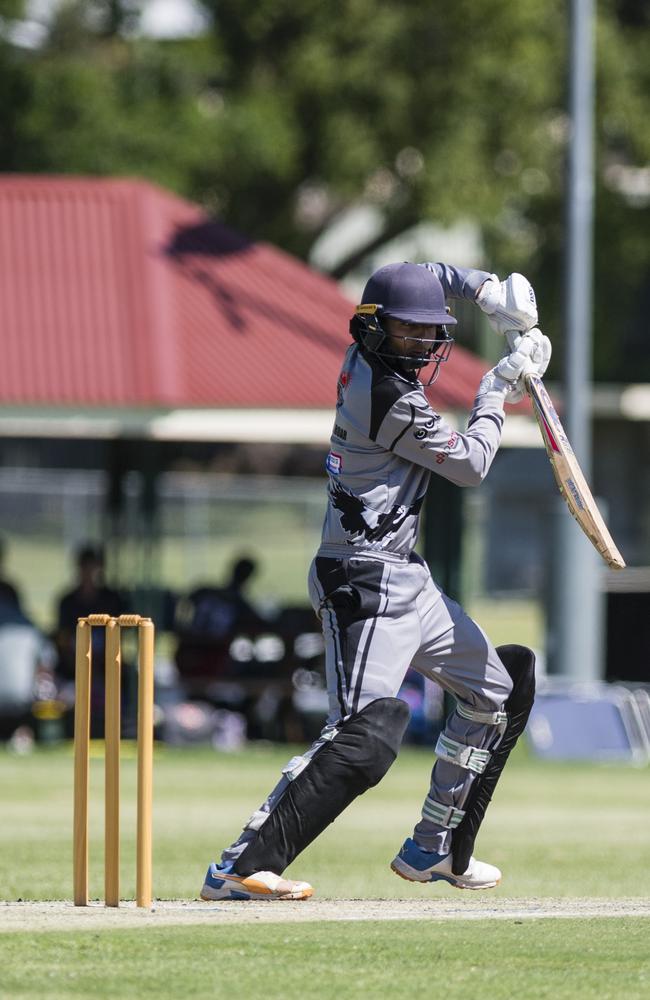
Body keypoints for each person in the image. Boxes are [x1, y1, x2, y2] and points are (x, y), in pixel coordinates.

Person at [200, 261, 549, 901]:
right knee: (363, 736)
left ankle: (435, 848)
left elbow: (422, 271)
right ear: (372, 330)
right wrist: (498, 387)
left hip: (408, 579)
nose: (422, 345)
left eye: (429, 334)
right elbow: (471, 465)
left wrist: (484, 291)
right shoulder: (383, 394)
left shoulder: (377, 360)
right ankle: (240, 866)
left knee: (498, 693)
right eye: (409, 334)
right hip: (361, 580)